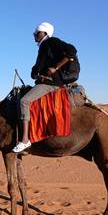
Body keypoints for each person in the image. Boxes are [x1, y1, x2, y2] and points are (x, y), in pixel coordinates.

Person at [13, 22, 79, 153]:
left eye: (37, 32)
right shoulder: (43, 48)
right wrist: (37, 74)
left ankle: (25, 140)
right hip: (45, 82)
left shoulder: (52, 42)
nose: (34, 35)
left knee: (24, 101)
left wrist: (56, 68)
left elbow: (72, 51)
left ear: (44, 33)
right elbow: (35, 71)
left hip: (51, 84)